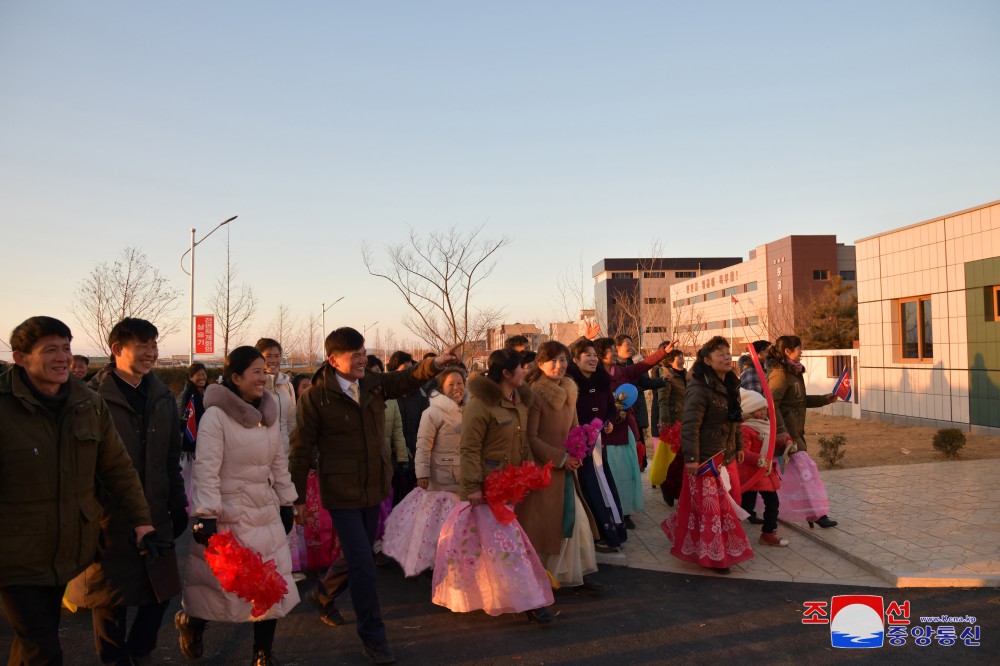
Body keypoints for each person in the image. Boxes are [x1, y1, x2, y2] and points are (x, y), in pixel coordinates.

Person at [288, 328, 459, 665]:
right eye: (356, 356)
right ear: (333, 360)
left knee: (358, 555)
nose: (363, 360)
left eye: (364, 352)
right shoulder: (316, 398)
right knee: (365, 566)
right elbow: (300, 449)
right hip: (340, 491)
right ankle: (374, 637)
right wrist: (298, 499)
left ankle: (323, 594)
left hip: (374, 485)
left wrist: (435, 363)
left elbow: (406, 380)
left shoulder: (373, 383)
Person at [0, 316, 154, 665]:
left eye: (66, 348)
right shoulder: (4, 406)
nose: (62, 358)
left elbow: (117, 469)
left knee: (33, 642)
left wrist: (142, 522)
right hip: (13, 554)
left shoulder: (88, 403)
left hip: (67, 548)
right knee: (44, 650)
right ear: (21, 358)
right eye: (50, 349)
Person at [65, 318, 186, 666]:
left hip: (155, 509)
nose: (152, 353)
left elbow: (170, 458)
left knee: (160, 591)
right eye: (143, 346)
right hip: (108, 517)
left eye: (154, 345)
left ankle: (141, 649)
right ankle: (114, 659)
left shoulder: (163, 397)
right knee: (109, 599)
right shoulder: (91, 399)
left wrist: (176, 502)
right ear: (118, 350)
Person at [175, 346, 299, 666]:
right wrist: (206, 515)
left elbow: (278, 463)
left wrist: (287, 502)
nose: (263, 377)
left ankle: (263, 655)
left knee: (270, 584)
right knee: (219, 586)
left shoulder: (269, 414)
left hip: (265, 509)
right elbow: (207, 468)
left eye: (264, 371)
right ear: (235, 377)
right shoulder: (216, 416)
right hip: (228, 512)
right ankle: (193, 623)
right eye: (255, 372)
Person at [434, 349, 554, 624]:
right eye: (522, 367)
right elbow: (469, 447)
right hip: (487, 488)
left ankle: (485, 593)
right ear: (506, 374)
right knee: (508, 545)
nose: (526, 371)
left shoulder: (519, 401)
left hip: (509, 485)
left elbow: (522, 444)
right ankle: (531, 602)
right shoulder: (481, 404)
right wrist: (472, 487)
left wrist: (528, 473)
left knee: (485, 547)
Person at [662, 336, 754, 575]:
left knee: (710, 508)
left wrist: (739, 446)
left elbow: (735, 420)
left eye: (727, 352)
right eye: (719, 353)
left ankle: (704, 547)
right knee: (712, 510)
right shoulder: (700, 387)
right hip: (703, 459)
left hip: (722, 454)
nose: (726, 357)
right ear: (706, 359)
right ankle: (715, 556)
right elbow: (690, 424)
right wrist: (691, 458)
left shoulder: (731, 384)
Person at [520, 342, 602, 591]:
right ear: (541, 364)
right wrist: (561, 458)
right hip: (545, 471)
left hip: (568, 469)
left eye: (563, 360)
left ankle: (570, 574)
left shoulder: (569, 388)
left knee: (575, 522)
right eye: (552, 361)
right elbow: (531, 438)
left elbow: (575, 427)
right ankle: (543, 575)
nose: (559, 365)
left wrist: (579, 450)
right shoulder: (535, 393)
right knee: (549, 526)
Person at [381, 366, 467, 576]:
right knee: (438, 524)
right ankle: (437, 561)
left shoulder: (471, 410)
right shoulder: (432, 412)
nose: (456, 388)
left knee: (460, 524)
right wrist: (422, 474)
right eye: (451, 384)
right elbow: (423, 445)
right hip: (441, 477)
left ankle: (456, 562)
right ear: (441, 387)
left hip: (465, 476)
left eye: (460, 383)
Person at [597, 336, 670, 530]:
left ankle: (626, 511)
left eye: (614, 349)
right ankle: (610, 511)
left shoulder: (623, 372)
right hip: (603, 434)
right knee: (611, 473)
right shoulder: (592, 377)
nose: (613, 353)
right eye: (610, 350)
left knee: (628, 473)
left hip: (623, 429)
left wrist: (663, 352)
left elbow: (644, 364)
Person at [766, 335, 839, 528]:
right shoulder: (780, 373)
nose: (803, 352)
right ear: (788, 352)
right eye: (799, 348)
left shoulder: (794, 371)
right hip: (787, 434)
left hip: (795, 431)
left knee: (794, 474)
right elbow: (772, 403)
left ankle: (812, 514)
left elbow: (800, 400)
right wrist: (782, 431)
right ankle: (816, 514)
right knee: (807, 471)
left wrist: (825, 399)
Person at [566, 332, 627, 552]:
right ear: (575, 360)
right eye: (586, 355)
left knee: (602, 485)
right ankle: (594, 535)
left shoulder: (602, 382)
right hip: (577, 448)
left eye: (594, 355)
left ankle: (610, 532)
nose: (592, 358)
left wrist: (609, 422)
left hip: (599, 446)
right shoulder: (569, 385)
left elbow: (610, 410)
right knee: (587, 488)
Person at [736, 388, 790, 547]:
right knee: (745, 506)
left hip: (766, 473)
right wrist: (758, 459)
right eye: (760, 409)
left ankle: (768, 532)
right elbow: (743, 451)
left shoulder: (766, 425)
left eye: (765, 408)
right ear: (750, 411)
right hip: (751, 474)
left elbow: (776, 437)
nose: (764, 412)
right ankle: (729, 531)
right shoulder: (745, 428)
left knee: (773, 503)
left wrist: (788, 442)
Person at [614, 335, 666, 450]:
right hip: (618, 418)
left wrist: (662, 380)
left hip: (636, 413)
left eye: (632, 345)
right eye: (628, 344)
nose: (631, 348)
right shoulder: (612, 368)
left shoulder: (634, 365)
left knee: (638, 450)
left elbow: (646, 382)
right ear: (617, 348)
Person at [656, 349, 687, 507]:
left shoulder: (687, 374)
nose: (682, 360)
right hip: (675, 422)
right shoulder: (668, 376)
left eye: (683, 357)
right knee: (676, 460)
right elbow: (663, 399)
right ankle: (667, 487)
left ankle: (679, 491)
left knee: (685, 460)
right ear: (670, 360)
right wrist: (665, 421)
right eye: (678, 357)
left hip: (688, 422)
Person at [255, 338, 296, 453]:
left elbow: (291, 421)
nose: (273, 360)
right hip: (259, 451)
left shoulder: (288, 386)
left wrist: (289, 445)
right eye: (268, 356)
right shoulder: (254, 385)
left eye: (277, 356)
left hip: (283, 451)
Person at [177, 362, 208, 510]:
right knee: (189, 475)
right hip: (190, 442)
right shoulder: (187, 394)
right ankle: (187, 503)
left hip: (205, 438)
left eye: (203, 374)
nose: (202, 377)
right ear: (190, 377)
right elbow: (182, 416)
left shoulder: (207, 392)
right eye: (198, 375)